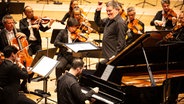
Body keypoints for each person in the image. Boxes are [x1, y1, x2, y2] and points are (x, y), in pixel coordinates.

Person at [0, 14, 33, 93]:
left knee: (30, 67)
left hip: (18, 55)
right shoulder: (1, 34)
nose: (12, 25)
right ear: (4, 24)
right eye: (9, 23)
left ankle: (23, 85)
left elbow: (25, 43)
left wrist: (24, 35)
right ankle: (14, 85)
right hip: (7, 56)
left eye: (13, 23)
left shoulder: (18, 31)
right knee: (18, 69)